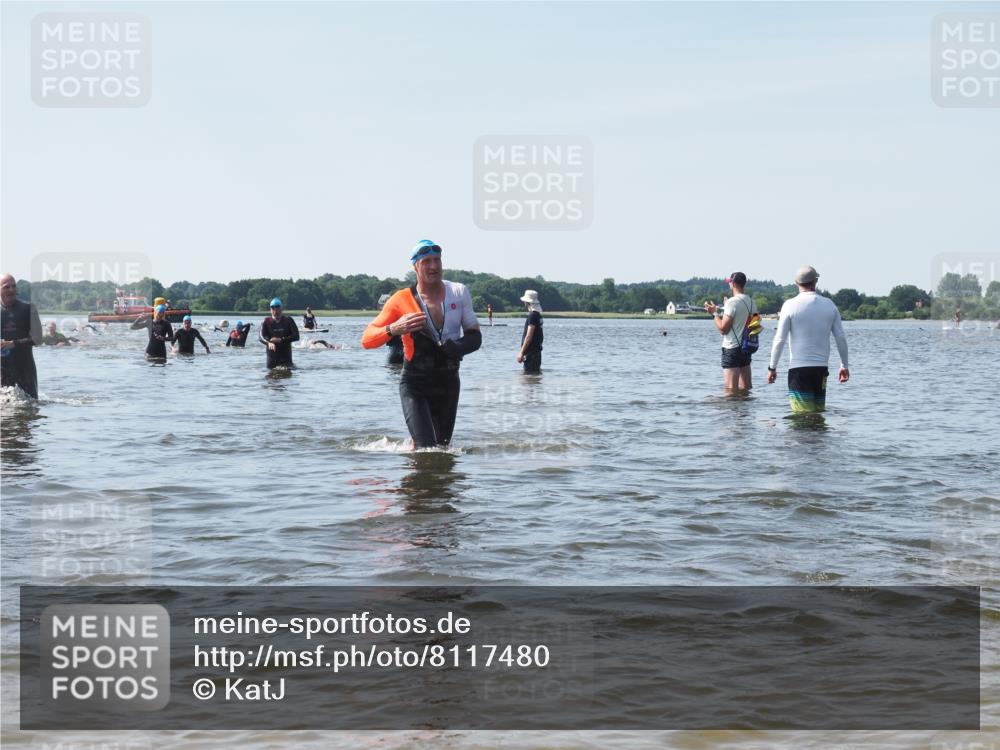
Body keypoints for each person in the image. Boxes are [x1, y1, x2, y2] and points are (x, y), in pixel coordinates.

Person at [361, 240, 482, 448]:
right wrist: (394, 329)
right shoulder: (400, 299)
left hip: (448, 381)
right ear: (415, 266)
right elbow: (367, 340)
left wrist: (457, 347)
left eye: (437, 260)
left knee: (442, 448)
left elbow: (475, 337)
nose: (433, 266)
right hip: (415, 383)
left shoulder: (459, 292)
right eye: (426, 261)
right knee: (427, 447)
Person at [767, 266, 850, 413]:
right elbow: (840, 337)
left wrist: (772, 368)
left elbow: (780, 339)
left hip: (799, 370)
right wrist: (844, 365)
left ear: (796, 282)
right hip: (821, 370)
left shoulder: (790, 305)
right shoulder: (829, 305)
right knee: (818, 415)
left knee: (801, 419)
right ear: (815, 281)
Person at [704, 272, 757, 390]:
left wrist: (714, 313)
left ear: (732, 283)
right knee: (746, 389)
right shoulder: (751, 301)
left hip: (732, 349)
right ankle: (746, 409)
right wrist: (727, 305)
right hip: (746, 348)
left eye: (729, 282)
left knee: (730, 390)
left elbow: (723, 329)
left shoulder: (732, 302)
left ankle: (732, 409)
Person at [1, 273, 42, 398]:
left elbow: (38, 339)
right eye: (6, 287)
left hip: (25, 369)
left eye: (14, 286)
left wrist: (13, 344)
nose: (11, 290)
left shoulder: (29, 308)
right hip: (2, 370)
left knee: (29, 407)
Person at [260, 298, 299, 368]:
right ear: (270, 310)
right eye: (273, 308)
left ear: (281, 308)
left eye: (277, 308)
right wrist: (268, 342)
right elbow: (261, 337)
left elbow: (296, 336)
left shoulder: (288, 320)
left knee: (287, 375)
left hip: (286, 358)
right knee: (271, 376)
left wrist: (281, 340)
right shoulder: (266, 321)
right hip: (272, 359)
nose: (275, 310)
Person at [516, 290, 544, 373]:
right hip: (537, 352)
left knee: (527, 379)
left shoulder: (531, 316)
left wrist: (521, 352)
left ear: (527, 302)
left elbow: (529, 335)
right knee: (534, 378)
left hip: (530, 353)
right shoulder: (538, 316)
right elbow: (542, 336)